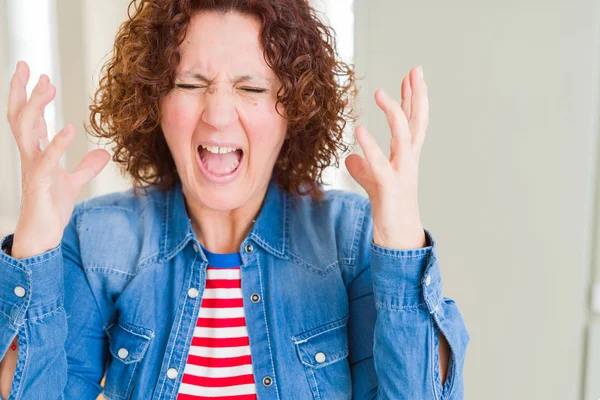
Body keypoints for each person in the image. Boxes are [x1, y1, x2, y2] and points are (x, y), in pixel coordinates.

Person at [0, 0, 469, 399]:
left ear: (297, 108)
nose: (219, 114)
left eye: (252, 88)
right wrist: (34, 249)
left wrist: (403, 243)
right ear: (153, 101)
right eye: (189, 84)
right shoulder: (98, 239)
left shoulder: (351, 240)